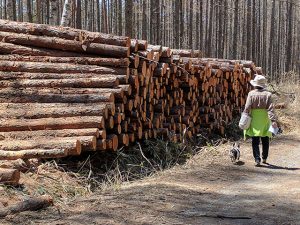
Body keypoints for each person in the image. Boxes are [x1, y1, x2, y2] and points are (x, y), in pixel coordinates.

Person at [243, 75, 277, 166]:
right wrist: (273, 120)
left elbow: (247, 107)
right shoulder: (268, 94)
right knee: (265, 138)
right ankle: (264, 158)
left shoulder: (251, 94)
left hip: (254, 119)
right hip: (265, 118)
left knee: (255, 140)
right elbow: (270, 109)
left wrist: (244, 117)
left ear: (255, 84)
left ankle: (257, 159)